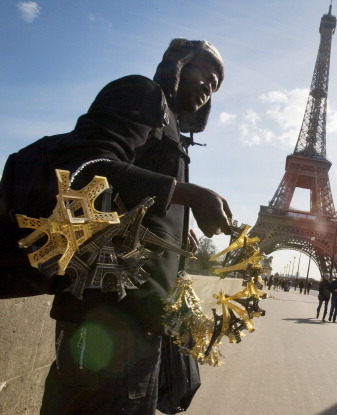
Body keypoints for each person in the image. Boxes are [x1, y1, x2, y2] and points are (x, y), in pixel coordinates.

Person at [38, 39, 232, 415]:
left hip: (138, 316)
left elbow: (134, 198)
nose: (209, 88)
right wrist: (184, 193)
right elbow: (82, 165)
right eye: (205, 75)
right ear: (180, 63)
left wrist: (174, 230)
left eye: (216, 86)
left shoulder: (172, 129)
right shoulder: (142, 94)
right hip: (105, 314)